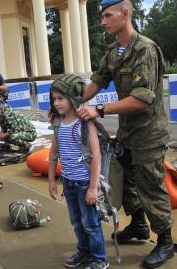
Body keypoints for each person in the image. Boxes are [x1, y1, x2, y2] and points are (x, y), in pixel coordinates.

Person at [77, 0, 174, 268]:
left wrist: (100, 110)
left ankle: (166, 241)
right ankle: (139, 226)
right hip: (128, 133)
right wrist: (73, 104)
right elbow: (97, 82)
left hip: (149, 134)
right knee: (126, 180)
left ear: (126, 14)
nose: (103, 21)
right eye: (102, 16)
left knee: (150, 186)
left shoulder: (144, 49)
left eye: (108, 15)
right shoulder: (114, 52)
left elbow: (143, 98)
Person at [48, 74, 109, 269]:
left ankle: (99, 258)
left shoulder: (84, 123)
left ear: (72, 98)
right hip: (68, 182)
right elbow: (53, 153)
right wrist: (51, 181)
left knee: (90, 223)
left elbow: (96, 156)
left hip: (84, 184)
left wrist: (92, 188)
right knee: (76, 222)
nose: (56, 103)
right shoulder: (58, 123)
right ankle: (84, 252)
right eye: (54, 99)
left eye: (60, 98)